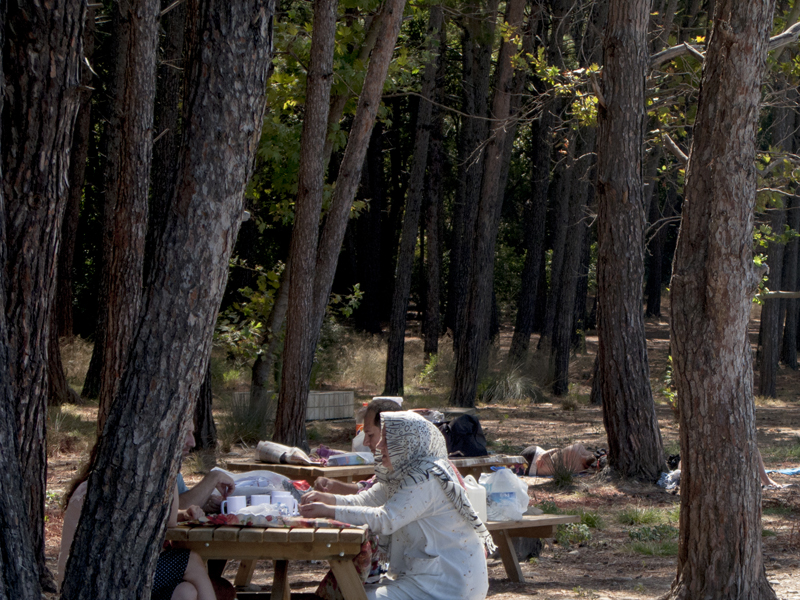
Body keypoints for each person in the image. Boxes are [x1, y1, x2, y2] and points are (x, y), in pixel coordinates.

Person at [300, 411, 492, 600]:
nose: (378, 445)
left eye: (386, 440)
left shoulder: (426, 476)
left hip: (449, 586)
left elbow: (386, 519)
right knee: (350, 593)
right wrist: (328, 500)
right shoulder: (404, 471)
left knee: (353, 595)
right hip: (427, 578)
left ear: (407, 442)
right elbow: (366, 499)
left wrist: (329, 511)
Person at [58, 444, 216, 600]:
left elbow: (153, 516)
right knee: (191, 561)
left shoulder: (113, 486)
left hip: (111, 573)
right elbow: (170, 521)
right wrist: (170, 466)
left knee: (185, 592)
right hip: (93, 580)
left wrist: (183, 514)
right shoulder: (105, 490)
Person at [313, 398, 403, 495]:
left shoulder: (410, 478)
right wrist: (333, 486)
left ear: (391, 434)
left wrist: (333, 505)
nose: (365, 442)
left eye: (370, 435)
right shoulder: (385, 469)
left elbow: (372, 501)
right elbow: (368, 490)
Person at [521, 442, 599, 476]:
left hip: (535, 454)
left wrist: (543, 455)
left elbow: (557, 450)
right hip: (531, 460)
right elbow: (557, 450)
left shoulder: (578, 449)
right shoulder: (578, 465)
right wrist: (542, 456)